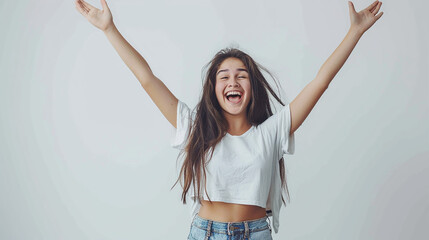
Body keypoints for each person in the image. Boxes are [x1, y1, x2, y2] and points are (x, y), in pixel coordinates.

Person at [75, 0, 384, 239]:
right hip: (206, 232)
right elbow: (147, 78)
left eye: (241, 76)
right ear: (214, 89)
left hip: (256, 232)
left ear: (252, 87)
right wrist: (108, 29)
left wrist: (355, 32)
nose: (233, 81)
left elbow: (320, 81)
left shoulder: (272, 132)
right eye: (224, 76)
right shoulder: (195, 126)